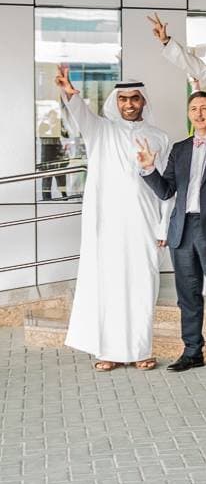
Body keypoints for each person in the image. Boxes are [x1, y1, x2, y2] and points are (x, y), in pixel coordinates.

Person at [56, 67, 171, 372]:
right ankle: (108, 351)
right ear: (116, 102)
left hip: (145, 223)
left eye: (135, 98)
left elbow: (169, 189)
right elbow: (80, 114)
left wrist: (164, 225)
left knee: (144, 285)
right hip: (108, 225)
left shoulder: (159, 137)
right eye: (124, 99)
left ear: (144, 101)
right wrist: (70, 91)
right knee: (110, 286)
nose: (129, 104)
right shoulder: (101, 131)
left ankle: (141, 350)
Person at [139, 91, 206, 376]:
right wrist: (149, 168)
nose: (199, 114)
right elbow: (166, 191)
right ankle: (191, 352)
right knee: (187, 296)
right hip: (182, 230)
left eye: (204, 108)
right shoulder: (180, 148)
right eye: (194, 109)